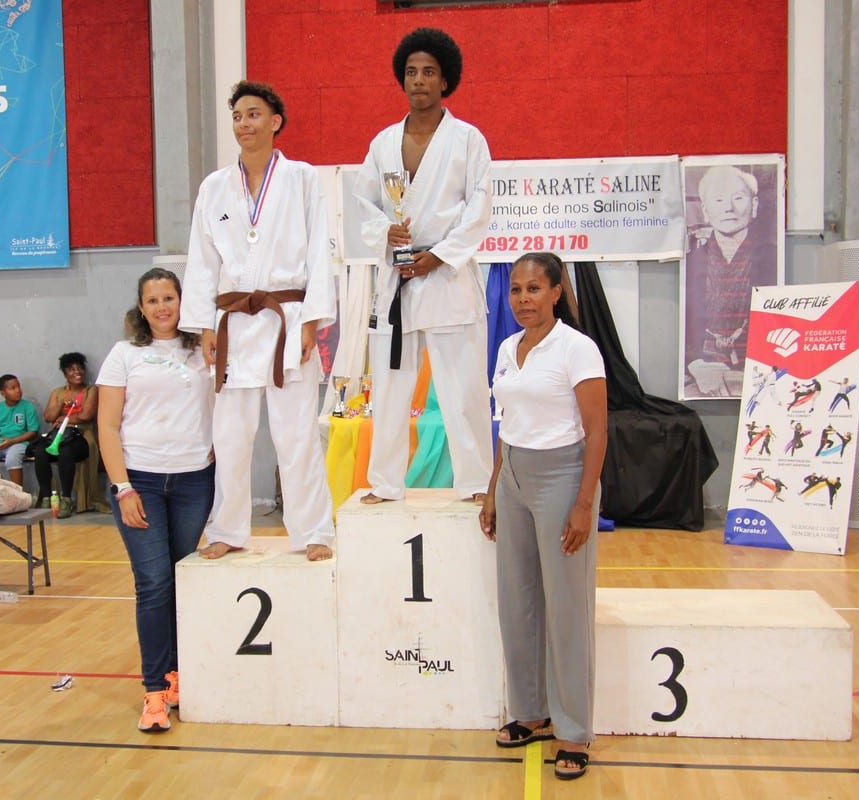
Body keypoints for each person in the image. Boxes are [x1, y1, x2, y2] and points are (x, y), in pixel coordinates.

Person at [179, 80, 336, 562]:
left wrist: (312, 321)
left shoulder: (303, 178)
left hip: (287, 318)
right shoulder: (214, 187)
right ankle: (227, 528)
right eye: (237, 116)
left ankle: (314, 531)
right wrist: (204, 325)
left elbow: (319, 251)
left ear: (275, 122)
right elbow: (202, 260)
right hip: (233, 323)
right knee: (229, 436)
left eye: (253, 114)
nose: (244, 124)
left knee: (297, 435)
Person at [478, 252, 607, 782]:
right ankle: (531, 713)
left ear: (556, 292)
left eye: (534, 288)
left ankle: (573, 730)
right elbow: (506, 423)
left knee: (566, 607)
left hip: (562, 476)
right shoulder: (507, 348)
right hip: (513, 475)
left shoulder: (578, 349)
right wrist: (493, 490)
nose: (523, 299)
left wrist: (584, 503)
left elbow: (597, 431)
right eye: (516, 289)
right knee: (518, 601)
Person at [352, 27, 493, 506]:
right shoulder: (383, 143)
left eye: (429, 72)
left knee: (463, 387)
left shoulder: (468, 140)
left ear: (445, 80)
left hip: (447, 276)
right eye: (411, 72)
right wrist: (385, 234)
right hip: (398, 277)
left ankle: (476, 482)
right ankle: (385, 483)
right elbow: (364, 204)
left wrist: (440, 255)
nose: (419, 80)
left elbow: (479, 209)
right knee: (390, 385)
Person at [97, 267, 215, 733]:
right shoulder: (123, 355)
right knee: (153, 583)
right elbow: (107, 426)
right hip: (140, 482)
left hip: (194, 482)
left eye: (169, 298)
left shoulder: (204, 350)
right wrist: (123, 487)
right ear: (141, 309)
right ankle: (153, 691)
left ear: (183, 302)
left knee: (180, 582)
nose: (162, 307)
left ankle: (177, 676)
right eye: (153, 300)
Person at [683, 165, 777, 396]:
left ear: (754, 205)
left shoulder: (772, 258)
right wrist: (694, 363)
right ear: (705, 210)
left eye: (738, 198)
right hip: (701, 370)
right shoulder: (691, 262)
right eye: (718, 200)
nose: (728, 208)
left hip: (759, 371)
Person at [32, 352, 99, 518]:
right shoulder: (58, 392)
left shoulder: (91, 390)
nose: (77, 372)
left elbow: (86, 415)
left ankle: (67, 499)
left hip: (82, 435)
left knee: (66, 452)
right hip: (59, 435)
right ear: (65, 374)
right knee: (40, 451)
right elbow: (48, 417)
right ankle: (46, 497)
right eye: (72, 369)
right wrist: (61, 403)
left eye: (80, 368)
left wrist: (63, 418)